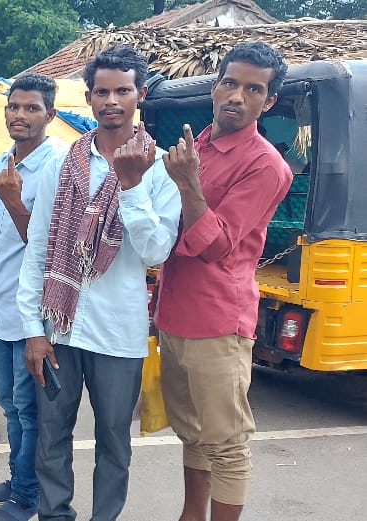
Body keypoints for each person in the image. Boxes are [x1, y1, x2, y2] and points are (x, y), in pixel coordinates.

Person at [17, 45, 181, 521]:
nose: (112, 100)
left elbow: (156, 252)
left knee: (114, 441)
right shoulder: (62, 164)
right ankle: (54, 515)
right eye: (102, 92)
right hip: (59, 327)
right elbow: (40, 247)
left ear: (140, 95)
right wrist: (34, 329)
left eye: (123, 90)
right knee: (51, 436)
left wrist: (131, 186)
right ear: (88, 98)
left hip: (118, 333)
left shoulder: (160, 167)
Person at [155, 41, 292, 521]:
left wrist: (190, 184)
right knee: (192, 433)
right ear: (215, 87)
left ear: (267, 102)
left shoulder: (265, 164)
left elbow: (217, 245)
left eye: (253, 89)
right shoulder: (198, 147)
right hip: (173, 313)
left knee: (227, 442)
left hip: (218, 321)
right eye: (230, 83)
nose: (237, 96)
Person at [0, 73, 69, 521]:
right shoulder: (3, 163)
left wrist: (13, 200)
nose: (20, 115)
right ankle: (19, 480)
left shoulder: (58, 166)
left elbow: (52, 249)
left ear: (50, 114)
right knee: (10, 406)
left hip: (34, 314)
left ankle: (27, 497)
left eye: (32, 108)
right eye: (14, 107)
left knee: (30, 411)